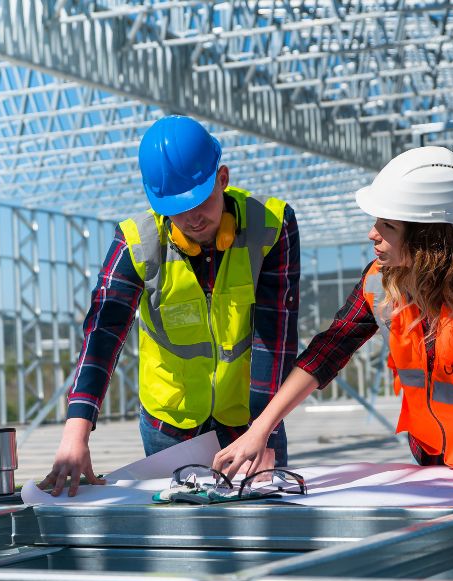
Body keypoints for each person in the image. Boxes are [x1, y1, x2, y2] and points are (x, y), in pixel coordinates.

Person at [38, 115, 300, 496]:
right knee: (183, 541)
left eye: (202, 200)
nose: (193, 217)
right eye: (177, 208)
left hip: (250, 416)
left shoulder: (271, 227)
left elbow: (274, 340)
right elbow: (102, 334)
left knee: (264, 530)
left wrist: (264, 431)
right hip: (169, 426)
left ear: (222, 179)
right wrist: (75, 433)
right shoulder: (137, 244)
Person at [213, 145, 453, 479]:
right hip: (435, 466)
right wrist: (261, 428)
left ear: (427, 238)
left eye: (388, 226)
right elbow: (327, 350)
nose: (373, 233)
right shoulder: (380, 282)